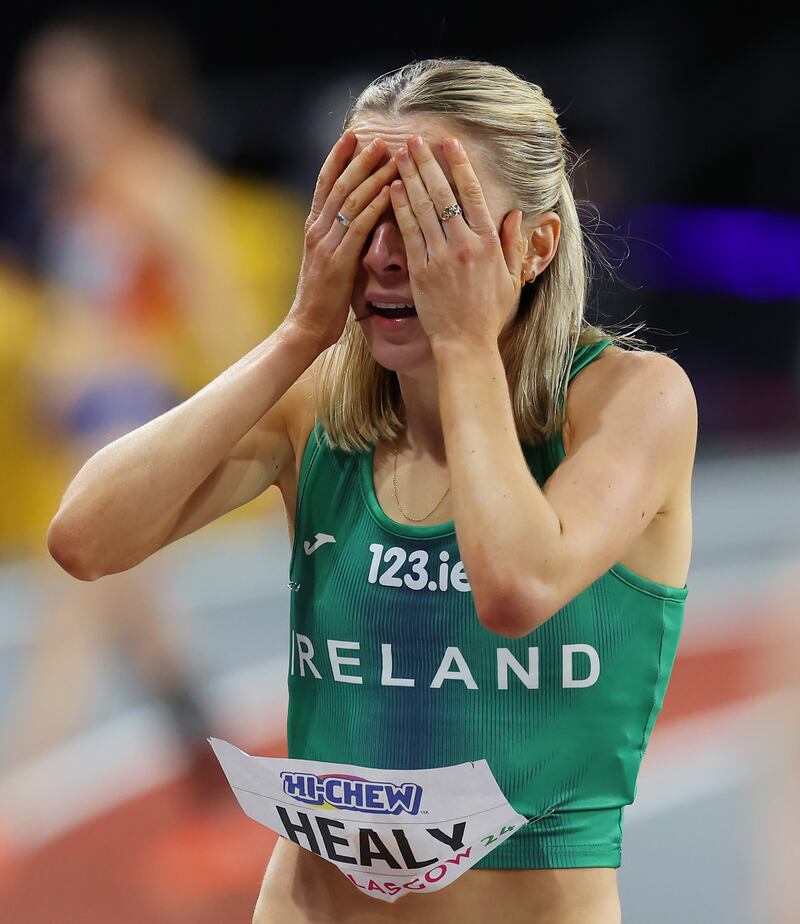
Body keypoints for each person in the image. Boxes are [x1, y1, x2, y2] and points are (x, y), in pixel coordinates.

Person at [46, 58, 698, 924]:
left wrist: (464, 344)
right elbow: (84, 539)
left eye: (432, 219)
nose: (388, 255)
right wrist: (298, 332)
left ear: (534, 246)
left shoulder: (631, 402)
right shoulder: (317, 401)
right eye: (363, 214)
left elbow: (516, 587)